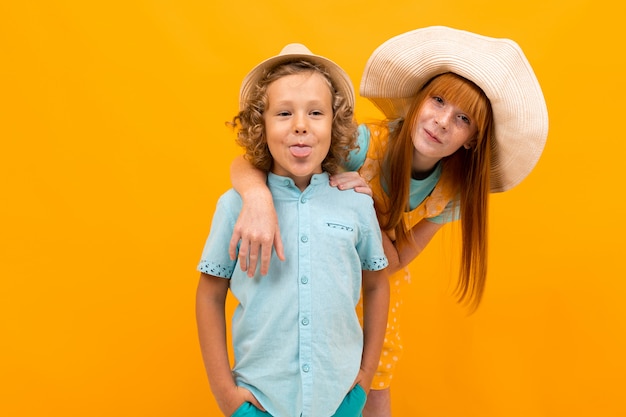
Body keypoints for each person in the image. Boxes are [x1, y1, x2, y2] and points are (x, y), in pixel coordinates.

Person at [228, 26, 549, 416]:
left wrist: (364, 210)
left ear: (471, 140)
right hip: (323, 273)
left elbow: (396, 261)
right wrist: (257, 196)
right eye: (439, 101)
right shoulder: (363, 145)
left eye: (462, 118)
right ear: (417, 101)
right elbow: (252, 160)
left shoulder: (452, 192)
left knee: (373, 382)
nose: (443, 121)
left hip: (378, 288)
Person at [195, 43, 390, 417]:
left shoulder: (356, 204)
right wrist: (225, 395)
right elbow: (209, 293)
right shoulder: (235, 206)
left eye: (315, 113)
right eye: (284, 113)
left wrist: (365, 377)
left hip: (340, 401)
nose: (300, 124)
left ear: (334, 124)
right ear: (261, 125)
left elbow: (378, 283)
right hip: (258, 402)